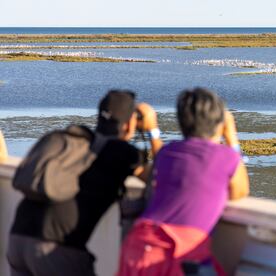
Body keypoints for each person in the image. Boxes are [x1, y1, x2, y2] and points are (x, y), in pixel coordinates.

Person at [7, 90, 163, 276]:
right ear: (130, 123)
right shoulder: (122, 153)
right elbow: (162, 175)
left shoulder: (74, 140)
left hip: (18, 237)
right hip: (56, 248)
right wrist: (153, 130)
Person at [117, 88, 249, 276]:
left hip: (139, 243)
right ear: (220, 123)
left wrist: (153, 130)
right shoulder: (227, 157)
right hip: (177, 252)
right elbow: (240, 192)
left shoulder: (167, 153)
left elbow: (156, 166)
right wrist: (232, 137)